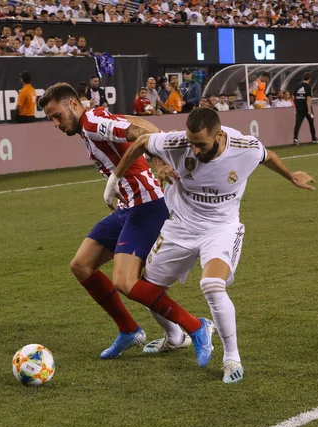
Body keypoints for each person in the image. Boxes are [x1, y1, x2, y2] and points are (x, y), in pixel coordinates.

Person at [103, 107, 315, 383]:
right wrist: (116, 178)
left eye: (200, 144)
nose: (193, 149)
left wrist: (292, 176)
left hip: (221, 228)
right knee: (149, 292)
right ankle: (174, 337)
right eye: (191, 142)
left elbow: (268, 156)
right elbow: (142, 142)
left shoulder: (244, 147)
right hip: (180, 226)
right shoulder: (179, 142)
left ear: (219, 135)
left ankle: (231, 358)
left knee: (212, 285)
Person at [37, 83, 214, 366]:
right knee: (81, 265)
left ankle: (196, 326)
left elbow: (138, 133)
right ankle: (130, 330)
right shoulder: (94, 120)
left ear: (72, 105)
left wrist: (157, 161)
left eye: (57, 115)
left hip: (148, 206)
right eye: (51, 119)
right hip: (128, 208)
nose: (56, 123)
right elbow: (140, 123)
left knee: (125, 281)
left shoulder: (93, 122)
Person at [293, 72, 318, 145]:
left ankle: (295, 139)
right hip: (306, 108)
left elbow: (293, 97)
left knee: (297, 124)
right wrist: (309, 110)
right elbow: (308, 99)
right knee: (311, 124)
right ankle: (314, 139)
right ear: (309, 79)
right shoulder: (309, 87)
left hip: (299, 109)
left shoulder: (297, 87)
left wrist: (297, 106)